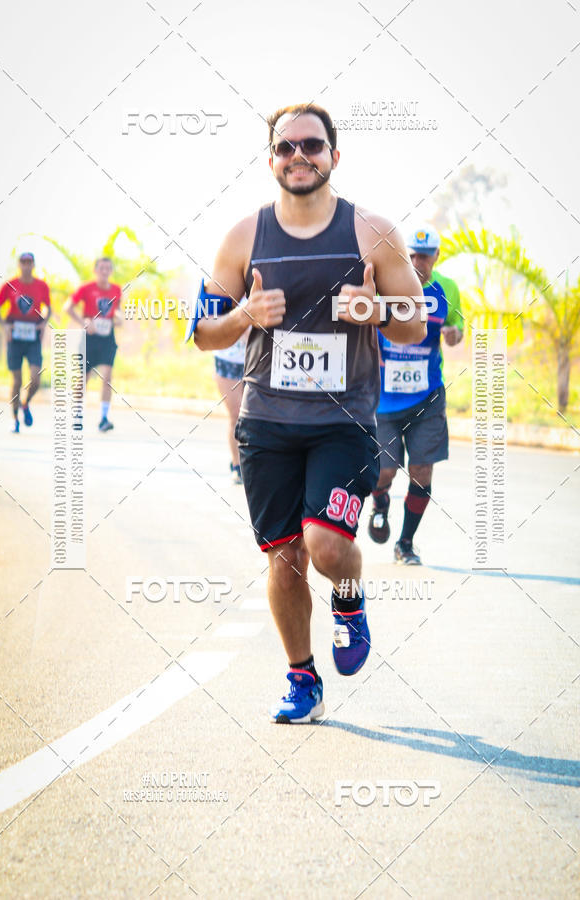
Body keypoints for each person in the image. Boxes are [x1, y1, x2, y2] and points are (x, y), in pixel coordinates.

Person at [191, 103, 425, 723]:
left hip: (342, 421)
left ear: (334, 157)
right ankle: (303, 680)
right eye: (286, 146)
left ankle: (349, 603)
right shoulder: (243, 236)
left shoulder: (371, 232)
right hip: (267, 423)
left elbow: (415, 323)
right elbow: (203, 333)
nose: (300, 156)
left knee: (325, 545)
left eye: (312, 146)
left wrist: (373, 313)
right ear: (271, 159)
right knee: (284, 558)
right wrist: (245, 315)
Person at [368, 224, 463, 565]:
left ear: (437, 256)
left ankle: (405, 543)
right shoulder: (384, 286)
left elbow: (456, 328)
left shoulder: (447, 289)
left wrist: (454, 334)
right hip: (383, 400)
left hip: (428, 397)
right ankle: (379, 502)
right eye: (411, 255)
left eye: (425, 255)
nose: (417, 262)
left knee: (422, 472)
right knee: (384, 473)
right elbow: (363, 321)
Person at [0, 252, 51, 433]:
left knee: (36, 378)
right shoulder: (10, 285)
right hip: (15, 336)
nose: (27, 265)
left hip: (33, 335)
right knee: (16, 380)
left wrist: (43, 323)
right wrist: (4, 326)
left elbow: (48, 308)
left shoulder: (42, 286)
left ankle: (26, 403)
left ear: (33, 265)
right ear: (19, 265)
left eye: (30, 262)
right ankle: (15, 418)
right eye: (23, 262)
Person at [63, 257, 122, 431]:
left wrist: (118, 318)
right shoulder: (86, 289)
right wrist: (83, 322)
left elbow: (117, 311)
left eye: (108, 268)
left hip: (107, 337)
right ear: (95, 270)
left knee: (107, 377)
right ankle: (77, 416)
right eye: (102, 268)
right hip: (89, 337)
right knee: (83, 378)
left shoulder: (116, 290)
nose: (105, 271)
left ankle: (104, 418)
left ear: (111, 271)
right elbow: (68, 307)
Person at [213, 320, 250, 484]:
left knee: (252, 417)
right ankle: (237, 466)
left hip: (254, 359)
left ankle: (251, 464)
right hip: (227, 360)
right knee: (236, 415)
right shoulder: (224, 294)